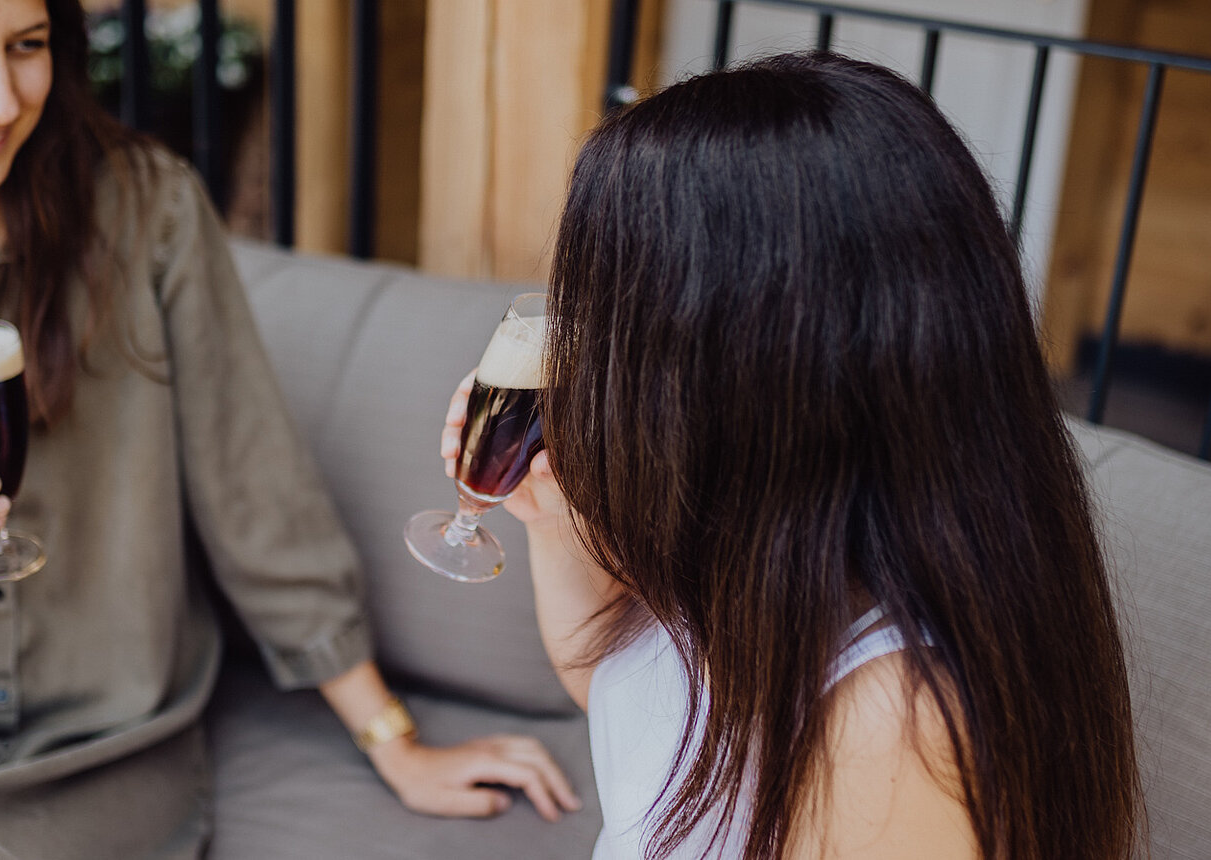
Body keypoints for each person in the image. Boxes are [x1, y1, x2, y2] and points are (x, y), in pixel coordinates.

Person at [0, 0, 578, 857]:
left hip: (101, 737)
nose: (0, 99)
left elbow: (253, 492)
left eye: (27, 44)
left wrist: (393, 740)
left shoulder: (144, 208)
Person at [440, 52, 1143, 859]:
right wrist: (550, 517)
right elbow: (625, 709)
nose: (584, 354)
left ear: (739, 360)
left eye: (608, 319)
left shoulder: (898, 725)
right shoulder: (749, 543)